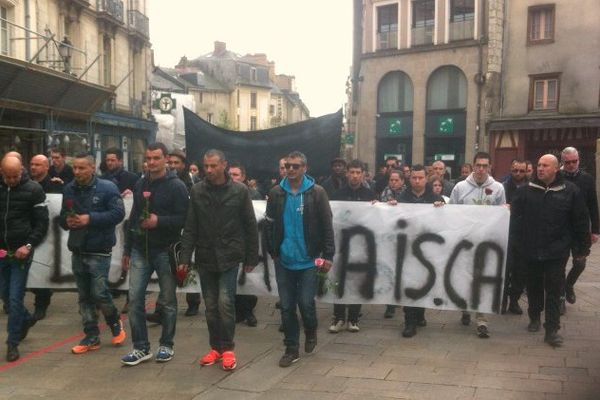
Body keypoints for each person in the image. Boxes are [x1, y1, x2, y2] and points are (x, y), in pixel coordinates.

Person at [178, 150, 258, 371]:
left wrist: (252, 255)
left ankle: (228, 348)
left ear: (224, 165)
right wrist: (184, 256)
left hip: (230, 255)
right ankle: (216, 347)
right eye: (206, 166)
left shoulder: (240, 191)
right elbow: (191, 226)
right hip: (205, 255)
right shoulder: (197, 190)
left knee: (225, 302)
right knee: (211, 306)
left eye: (213, 166)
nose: (209, 170)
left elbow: (250, 225)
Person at [511, 154, 590, 347]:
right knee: (534, 286)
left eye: (545, 165)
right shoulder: (525, 191)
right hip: (531, 249)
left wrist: (581, 248)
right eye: (538, 165)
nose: (540, 168)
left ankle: (552, 329)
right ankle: (535, 317)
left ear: (556, 169)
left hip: (557, 251)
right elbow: (516, 221)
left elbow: (579, 220)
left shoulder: (570, 191)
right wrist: (517, 245)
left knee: (555, 290)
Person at [120, 142, 188, 366]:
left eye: (156, 158)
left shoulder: (177, 186)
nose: (151, 162)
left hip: (166, 250)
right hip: (141, 249)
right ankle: (141, 347)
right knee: (135, 299)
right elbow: (133, 217)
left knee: (168, 301)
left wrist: (159, 221)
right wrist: (128, 249)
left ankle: (166, 344)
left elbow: (184, 219)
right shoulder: (140, 184)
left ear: (165, 159)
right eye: (148, 158)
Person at [265, 151, 334, 367]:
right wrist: (272, 250)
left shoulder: (317, 193)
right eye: (288, 166)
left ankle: (311, 329)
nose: (291, 170)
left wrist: (328, 255)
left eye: (296, 166)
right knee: (286, 306)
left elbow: (326, 224)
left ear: (305, 168)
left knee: (305, 303)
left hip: (309, 260)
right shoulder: (276, 193)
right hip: (284, 260)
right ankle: (291, 348)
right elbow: (269, 223)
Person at [59, 153, 127, 355]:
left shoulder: (108, 187)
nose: (77, 172)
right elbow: (63, 215)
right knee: (84, 296)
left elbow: (118, 214)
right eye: (75, 169)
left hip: (99, 249)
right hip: (78, 247)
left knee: (99, 292)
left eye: (81, 168)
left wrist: (91, 219)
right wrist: (67, 221)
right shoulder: (69, 188)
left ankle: (114, 323)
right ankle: (91, 335)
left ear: (92, 168)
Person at [449, 152, 506, 338]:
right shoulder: (460, 187)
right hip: (465, 242)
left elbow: (501, 215)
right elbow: (451, 213)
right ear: (472, 166)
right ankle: (465, 307)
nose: (481, 169)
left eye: (485, 166)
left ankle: (482, 319)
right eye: (478, 165)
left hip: (487, 243)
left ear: (489, 167)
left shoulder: (498, 188)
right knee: (465, 277)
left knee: (483, 280)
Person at [0, 155, 49, 362]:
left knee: (15, 297)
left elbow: (42, 224)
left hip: (21, 252)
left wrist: (28, 245)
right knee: (5, 295)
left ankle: (12, 343)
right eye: (7, 177)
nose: (11, 181)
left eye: (15, 176)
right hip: (2, 252)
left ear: (21, 171)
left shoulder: (34, 190)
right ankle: (27, 319)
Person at [396, 165, 444, 337]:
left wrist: (441, 207)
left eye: (420, 178)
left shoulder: (435, 197)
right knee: (410, 282)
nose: (417, 181)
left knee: (424, 281)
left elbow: (446, 222)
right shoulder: (402, 197)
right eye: (414, 178)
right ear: (410, 179)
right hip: (408, 248)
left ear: (426, 178)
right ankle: (409, 320)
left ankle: (420, 314)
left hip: (427, 249)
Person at [328, 160, 375, 333]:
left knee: (357, 280)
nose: (355, 176)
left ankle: (354, 318)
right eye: (352, 172)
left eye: (358, 172)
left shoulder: (370, 195)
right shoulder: (337, 194)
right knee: (338, 279)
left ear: (363, 174)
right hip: (341, 243)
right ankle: (339, 317)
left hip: (361, 245)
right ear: (347, 173)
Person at [101, 147, 139, 313]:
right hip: (111, 229)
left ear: (120, 161)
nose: (110, 163)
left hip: (128, 228)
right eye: (107, 160)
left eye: (113, 160)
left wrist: (132, 194)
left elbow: (139, 198)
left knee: (128, 262)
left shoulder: (132, 178)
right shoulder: (102, 179)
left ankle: (131, 299)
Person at [560, 147, 599, 310]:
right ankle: (560, 297)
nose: (571, 165)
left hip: (580, 229)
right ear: (562, 162)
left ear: (579, 160)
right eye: (567, 162)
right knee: (558, 265)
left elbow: (593, 205)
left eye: (573, 161)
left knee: (580, 263)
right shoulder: (557, 177)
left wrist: (596, 230)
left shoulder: (587, 179)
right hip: (560, 227)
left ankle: (569, 284)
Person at [28, 154, 62, 320]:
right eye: (32, 164)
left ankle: (41, 304)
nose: (33, 167)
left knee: (41, 268)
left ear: (46, 167)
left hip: (48, 234)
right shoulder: (26, 184)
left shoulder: (54, 185)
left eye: (38, 165)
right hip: (28, 232)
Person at [168, 148, 201, 317]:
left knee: (189, 265)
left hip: (188, 230)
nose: (173, 166)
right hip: (171, 231)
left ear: (183, 165)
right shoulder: (164, 180)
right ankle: (163, 306)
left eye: (176, 163)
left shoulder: (191, 183)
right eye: (170, 163)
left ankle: (193, 301)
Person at [229, 162, 262, 327]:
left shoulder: (253, 195)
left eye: (236, 175)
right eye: (230, 175)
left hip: (247, 241)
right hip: (230, 243)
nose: (232, 178)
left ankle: (248, 311)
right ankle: (237, 311)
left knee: (249, 280)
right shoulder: (225, 192)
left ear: (243, 177)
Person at [501, 159, 529, 315]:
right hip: (506, 235)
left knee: (521, 272)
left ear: (526, 171)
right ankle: (503, 300)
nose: (518, 173)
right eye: (515, 170)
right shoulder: (502, 186)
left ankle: (514, 300)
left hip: (524, 237)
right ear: (510, 169)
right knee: (504, 272)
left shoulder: (532, 188)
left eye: (521, 171)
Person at [380, 169, 406, 319]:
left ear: (402, 181)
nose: (393, 183)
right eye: (391, 180)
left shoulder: (407, 195)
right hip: (389, 239)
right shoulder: (385, 194)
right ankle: (389, 305)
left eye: (397, 180)